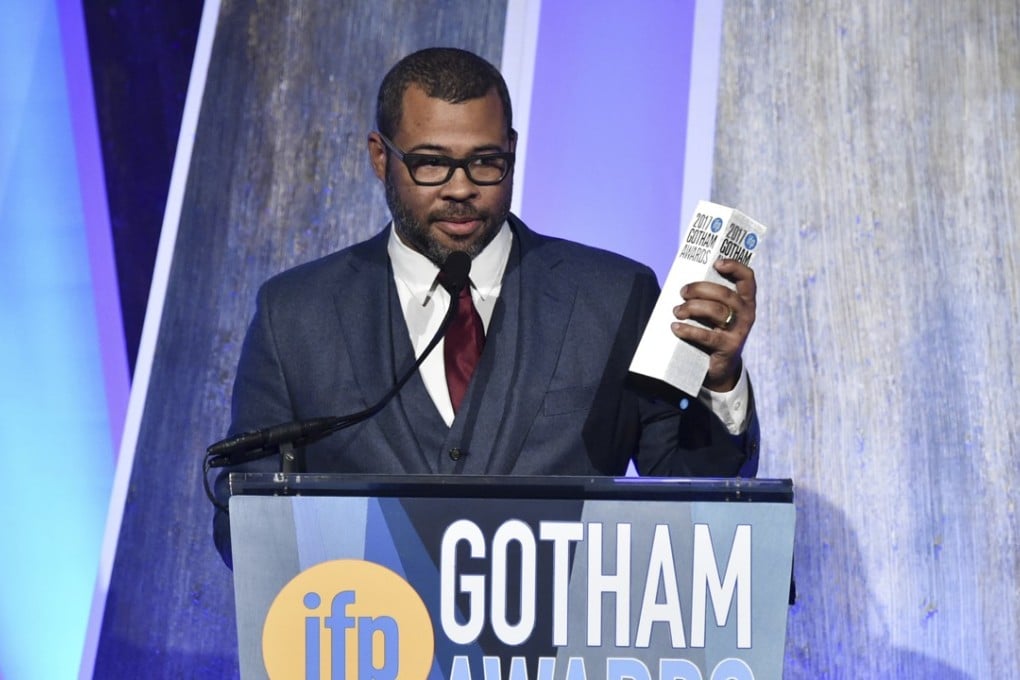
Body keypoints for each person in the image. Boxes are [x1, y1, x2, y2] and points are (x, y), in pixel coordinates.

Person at [213, 47, 759, 565]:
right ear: (381, 157)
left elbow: (693, 490)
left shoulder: (615, 295)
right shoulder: (295, 314)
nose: (460, 188)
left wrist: (719, 381)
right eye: (430, 163)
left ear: (513, 152)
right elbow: (245, 525)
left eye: (485, 162)